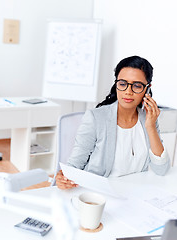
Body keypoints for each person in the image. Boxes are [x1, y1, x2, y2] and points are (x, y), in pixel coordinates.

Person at [56, 56, 170, 190]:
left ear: (147, 88)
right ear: (116, 84)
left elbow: (161, 169)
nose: (128, 91)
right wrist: (63, 177)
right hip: (99, 194)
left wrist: (151, 127)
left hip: (135, 194)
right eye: (122, 84)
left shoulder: (148, 119)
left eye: (137, 86)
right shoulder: (96, 118)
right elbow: (75, 165)